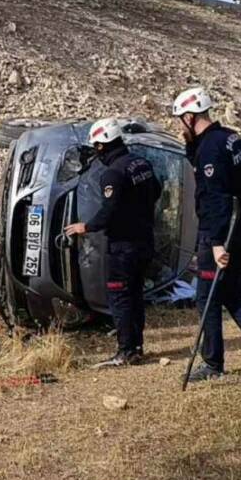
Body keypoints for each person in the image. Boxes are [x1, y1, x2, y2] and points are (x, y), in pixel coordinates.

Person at [171, 87, 241, 382]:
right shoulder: (230, 138)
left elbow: (215, 198)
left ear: (190, 116)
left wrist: (217, 244)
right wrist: (190, 145)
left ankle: (212, 364)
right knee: (231, 294)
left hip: (221, 234)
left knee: (207, 298)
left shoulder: (210, 149)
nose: (180, 126)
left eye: (181, 120)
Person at [64, 117, 162, 367]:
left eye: (96, 146)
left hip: (122, 247)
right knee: (136, 295)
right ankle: (136, 346)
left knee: (119, 297)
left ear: (101, 146)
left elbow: (110, 211)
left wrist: (85, 226)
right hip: (144, 242)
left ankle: (126, 351)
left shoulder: (112, 173)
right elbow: (157, 191)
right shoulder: (141, 164)